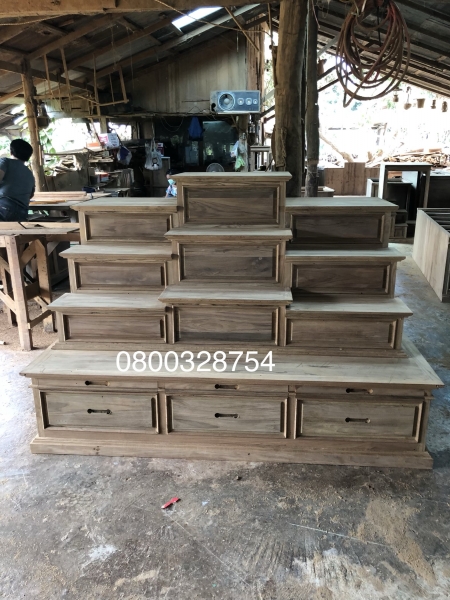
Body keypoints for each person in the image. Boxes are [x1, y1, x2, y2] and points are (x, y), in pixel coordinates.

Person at [0, 139, 35, 222]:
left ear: (11, 152)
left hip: (4, 208)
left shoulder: (5, 162)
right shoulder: (29, 173)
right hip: (22, 213)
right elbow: (31, 195)